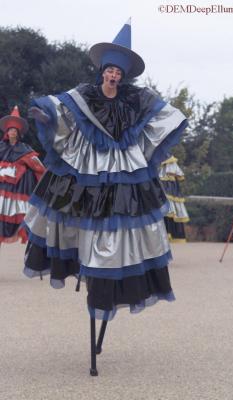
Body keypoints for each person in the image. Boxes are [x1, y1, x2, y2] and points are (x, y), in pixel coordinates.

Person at [23, 19, 188, 321]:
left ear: (123, 76)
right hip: (88, 165)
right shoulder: (85, 93)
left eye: (118, 72)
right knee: (71, 205)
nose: (113, 75)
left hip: (124, 168)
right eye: (110, 70)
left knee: (122, 219)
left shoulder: (133, 99)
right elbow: (62, 108)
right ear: (103, 71)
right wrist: (45, 114)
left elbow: (159, 112)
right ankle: (78, 261)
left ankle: (110, 276)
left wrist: (173, 118)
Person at [0, 106, 45, 244]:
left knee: (16, 208)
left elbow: (37, 165)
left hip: (19, 186)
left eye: (14, 130)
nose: (12, 132)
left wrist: (46, 176)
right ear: (7, 132)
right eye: (10, 130)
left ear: (18, 133)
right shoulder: (1, 146)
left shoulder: (25, 149)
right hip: (3, 183)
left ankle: (17, 232)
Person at [159, 156, 189, 242]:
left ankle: (169, 235)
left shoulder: (169, 161)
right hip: (163, 190)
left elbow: (177, 176)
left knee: (170, 210)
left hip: (169, 191)